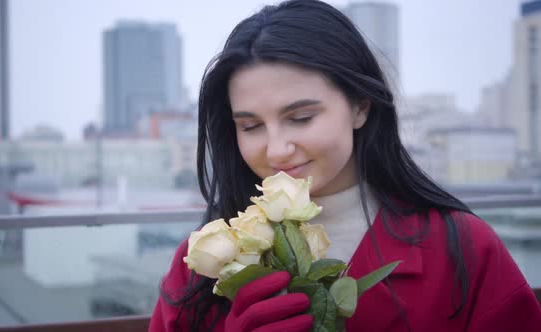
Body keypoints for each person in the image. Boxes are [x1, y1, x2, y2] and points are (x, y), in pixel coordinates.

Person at [148, 0, 541, 331]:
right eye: (250, 126)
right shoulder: (204, 258)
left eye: (301, 118)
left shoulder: (463, 247)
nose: (277, 150)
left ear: (360, 106)